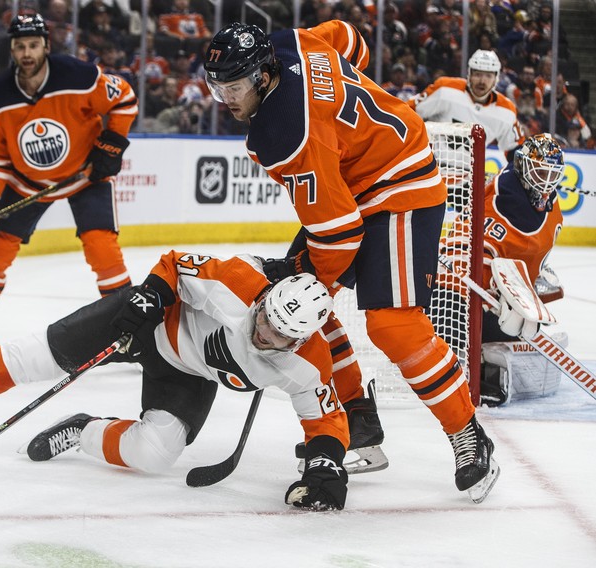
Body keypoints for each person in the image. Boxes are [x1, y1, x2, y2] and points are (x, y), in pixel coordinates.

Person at [202, 21, 499, 502]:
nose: (226, 98)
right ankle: (359, 420)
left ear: (261, 76)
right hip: (355, 183)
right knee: (300, 305)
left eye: (233, 87)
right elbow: (346, 36)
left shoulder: (283, 132)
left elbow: (339, 235)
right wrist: (343, 114)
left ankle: (468, 434)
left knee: (391, 325)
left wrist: (307, 283)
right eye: (217, 86)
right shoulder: (287, 41)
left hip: (402, 187)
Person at [0, 250, 352, 511]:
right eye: (266, 317)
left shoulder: (308, 363)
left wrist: (325, 464)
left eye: (278, 334)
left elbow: (325, 419)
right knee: (39, 357)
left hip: (188, 372)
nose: (262, 331)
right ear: (267, 297)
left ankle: (83, 429)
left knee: (156, 453)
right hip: (149, 323)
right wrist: (151, 295)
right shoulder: (237, 280)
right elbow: (175, 263)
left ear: (301, 339)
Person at [0, 14, 138, 361]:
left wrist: (111, 143)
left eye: (33, 45)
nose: (27, 53)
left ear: (46, 46)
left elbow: (124, 98)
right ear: (12, 51)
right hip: (26, 182)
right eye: (20, 47)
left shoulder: (78, 76)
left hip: (85, 175)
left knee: (101, 247)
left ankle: (131, 329)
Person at [442, 134, 566, 406]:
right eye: (540, 172)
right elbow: (457, 259)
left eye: (551, 173)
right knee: (459, 319)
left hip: (493, 297)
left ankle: (486, 356)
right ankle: (463, 372)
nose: (546, 182)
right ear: (522, 167)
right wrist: (492, 295)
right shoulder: (496, 203)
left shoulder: (549, 204)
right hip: (455, 298)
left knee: (529, 324)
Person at [410, 48, 525, 161]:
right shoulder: (445, 89)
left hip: (471, 176)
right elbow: (410, 110)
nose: (482, 81)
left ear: (496, 79)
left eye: (488, 76)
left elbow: (515, 149)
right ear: (469, 74)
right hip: (431, 168)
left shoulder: (507, 110)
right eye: (478, 74)